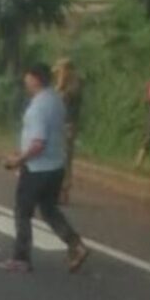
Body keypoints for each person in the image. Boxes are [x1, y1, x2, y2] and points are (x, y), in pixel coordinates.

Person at [0, 63, 89, 274]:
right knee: (49, 209)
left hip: (37, 168)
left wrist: (17, 160)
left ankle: (21, 258)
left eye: (28, 77)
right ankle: (75, 244)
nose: (25, 81)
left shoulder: (38, 107)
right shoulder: (55, 99)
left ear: (36, 79)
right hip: (56, 166)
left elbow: (38, 143)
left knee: (22, 211)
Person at [53, 58, 83, 204]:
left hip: (67, 124)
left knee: (64, 158)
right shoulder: (66, 86)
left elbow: (60, 100)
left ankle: (63, 190)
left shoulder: (72, 87)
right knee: (59, 156)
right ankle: (57, 189)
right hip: (59, 124)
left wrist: (59, 86)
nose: (59, 74)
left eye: (61, 71)